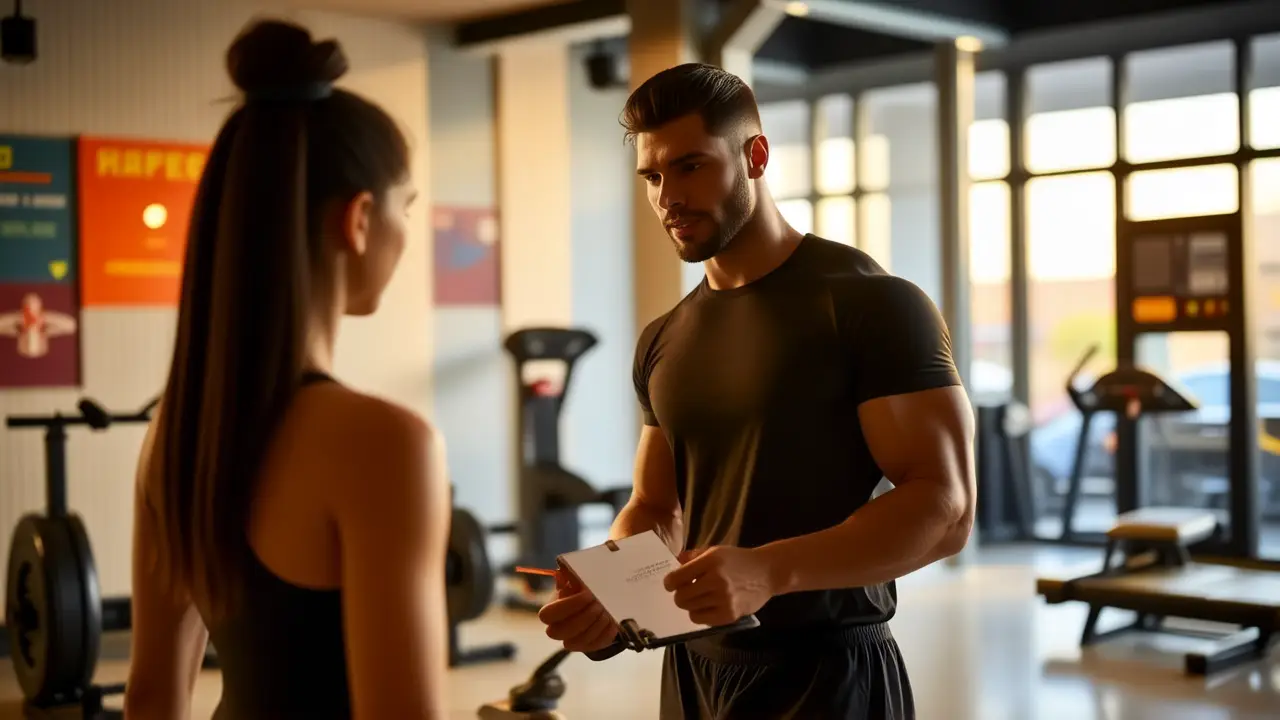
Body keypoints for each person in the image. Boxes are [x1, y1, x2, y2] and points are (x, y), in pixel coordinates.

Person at [537, 63, 976, 720]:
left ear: (756, 156)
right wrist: (613, 589)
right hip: (693, 670)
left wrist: (770, 571)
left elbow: (945, 511)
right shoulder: (665, 336)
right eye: (653, 177)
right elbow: (656, 505)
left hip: (827, 674)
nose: (668, 197)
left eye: (690, 167)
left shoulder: (871, 304)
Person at [124, 19, 450, 720]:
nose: (404, 233)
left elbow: (151, 697)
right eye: (406, 208)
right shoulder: (384, 443)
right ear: (359, 220)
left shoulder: (174, 433)